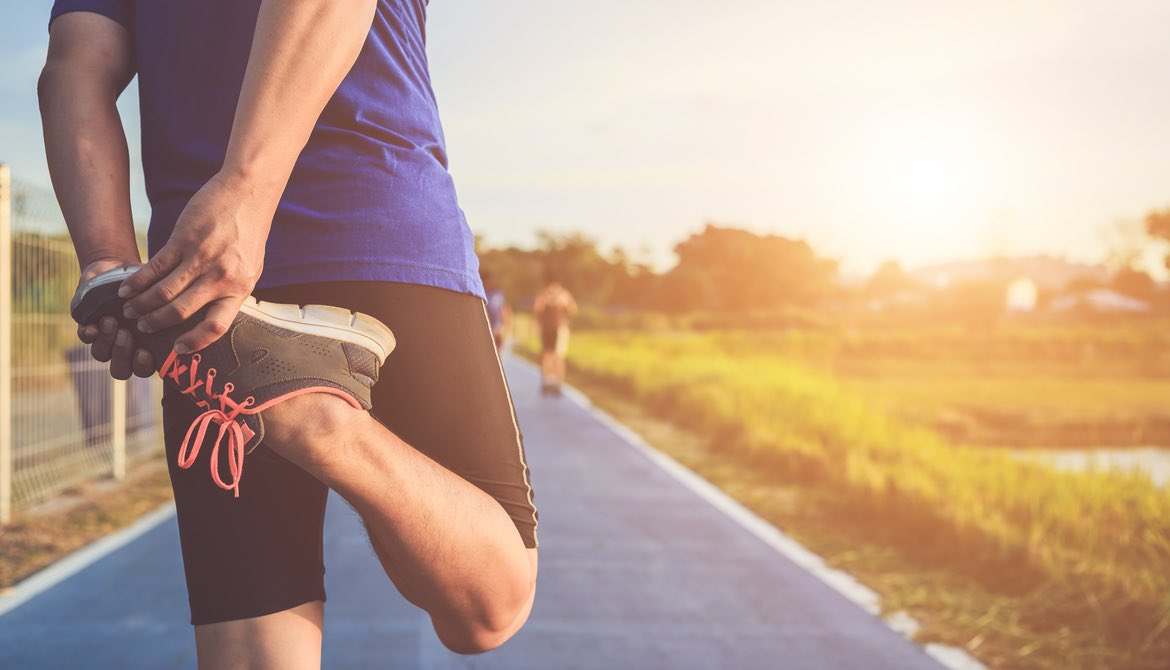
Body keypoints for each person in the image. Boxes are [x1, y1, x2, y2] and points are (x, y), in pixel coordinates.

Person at [39, 1, 538, 664]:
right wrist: (248, 189)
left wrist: (110, 264)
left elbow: (73, 69)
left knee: (254, 647)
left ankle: (279, 399)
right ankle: (316, 423)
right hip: (376, 223)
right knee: (489, 609)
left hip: (201, 279)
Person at [532, 271, 577, 396]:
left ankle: (558, 383)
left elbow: (573, 310)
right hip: (547, 329)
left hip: (560, 329)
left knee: (559, 357)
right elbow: (537, 311)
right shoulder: (543, 295)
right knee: (547, 356)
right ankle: (547, 382)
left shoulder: (564, 295)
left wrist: (563, 305)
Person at [481, 269, 511, 353]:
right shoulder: (480, 294)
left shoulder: (498, 293)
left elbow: (504, 309)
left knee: (497, 354)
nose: (487, 283)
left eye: (488, 280)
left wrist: (505, 326)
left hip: (497, 330)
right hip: (484, 330)